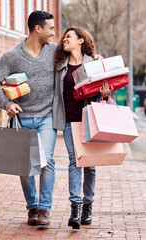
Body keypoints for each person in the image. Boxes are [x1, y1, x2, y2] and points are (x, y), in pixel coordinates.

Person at [0, 10, 57, 226]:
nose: (54, 33)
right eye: (51, 28)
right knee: (25, 165)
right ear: (38, 29)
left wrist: (96, 58)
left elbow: (78, 58)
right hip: (22, 119)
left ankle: (44, 209)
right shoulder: (12, 56)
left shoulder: (55, 52)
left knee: (47, 161)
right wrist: (6, 104)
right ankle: (32, 207)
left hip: (47, 117)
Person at [52, 27, 112, 229]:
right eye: (63, 38)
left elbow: (103, 89)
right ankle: (75, 208)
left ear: (80, 40)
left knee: (90, 164)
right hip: (69, 120)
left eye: (68, 37)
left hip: (89, 120)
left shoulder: (93, 63)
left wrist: (104, 94)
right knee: (74, 161)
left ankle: (88, 205)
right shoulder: (60, 66)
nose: (64, 40)